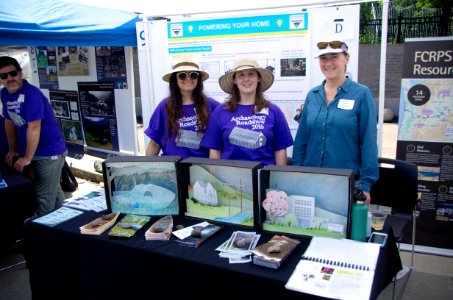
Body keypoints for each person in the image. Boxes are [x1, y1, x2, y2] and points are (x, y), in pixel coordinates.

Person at [292, 38, 378, 204]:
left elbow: (369, 141)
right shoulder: (313, 95)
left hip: (344, 182)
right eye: (324, 58)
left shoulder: (361, 94)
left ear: (346, 58)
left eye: (334, 57)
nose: (328, 63)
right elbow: (302, 139)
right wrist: (297, 173)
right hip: (311, 180)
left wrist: (366, 185)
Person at [0, 56, 67, 216]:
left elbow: (34, 128)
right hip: (32, 151)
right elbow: (9, 121)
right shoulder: (5, 94)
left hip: (48, 152)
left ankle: (41, 235)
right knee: (54, 194)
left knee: (42, 199)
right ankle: (67, 226)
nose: (10, 78)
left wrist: (27, 158)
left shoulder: (32, 94)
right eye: (4, 76)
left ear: (21, 73)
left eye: (13, 73)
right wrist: (12, 149)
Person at [201, 58, 293, 166]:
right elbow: (215, 150)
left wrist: (279, 179)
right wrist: (216, 178)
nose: (246, 79)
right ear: (235, 80)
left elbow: (280, 149)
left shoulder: (274, 111)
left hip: (262, 178)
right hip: (229, 179)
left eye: (251, 74)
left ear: (258, 77)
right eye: (241, 75)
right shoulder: (221, 112)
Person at [144, 54, 220, 158]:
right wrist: (148, 169)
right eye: (182, 75)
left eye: (193, 74)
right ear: (175, 79)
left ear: (198, 79)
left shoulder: (211, 105)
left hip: (202, 169)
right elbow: (154, 143)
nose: (188, 78)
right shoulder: (164, 106)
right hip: (172, 168)